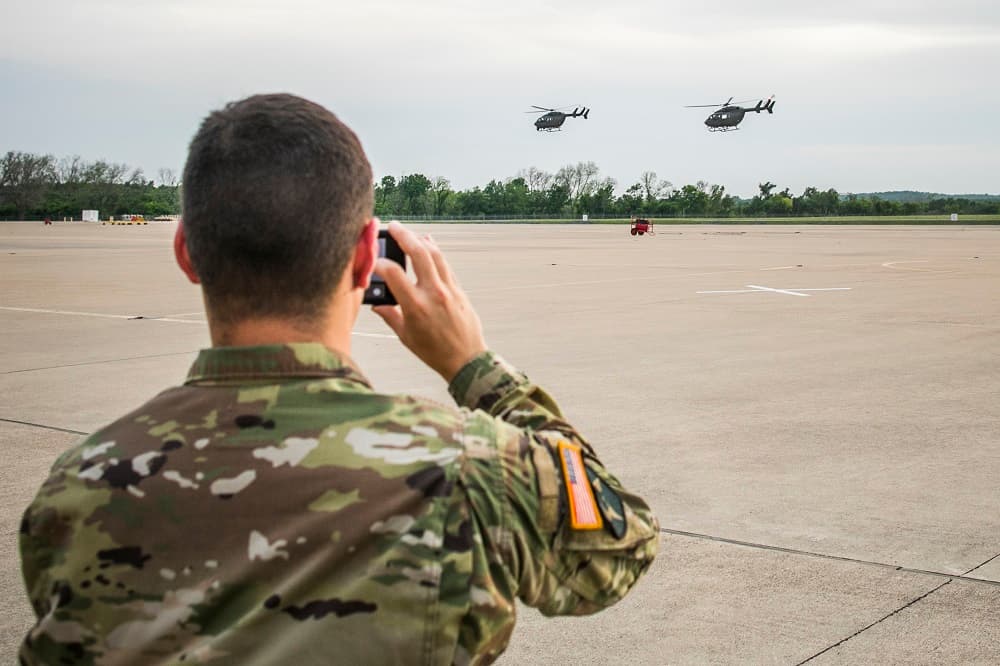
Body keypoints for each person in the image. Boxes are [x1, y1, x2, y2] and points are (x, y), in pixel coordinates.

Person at [19, 93, 659, 664]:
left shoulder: (76, 490)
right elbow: (618, 548)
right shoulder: (471, 470)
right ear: (364, 258)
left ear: (186, 251)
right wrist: (475, 369)